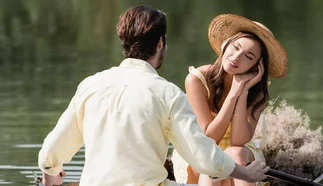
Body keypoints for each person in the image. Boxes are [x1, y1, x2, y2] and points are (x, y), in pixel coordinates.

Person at [37, 6, 268, 186]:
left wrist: (52, 176)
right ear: (160, 44)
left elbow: (50, 153)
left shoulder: (90, 85)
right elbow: (204, 156)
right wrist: (244, 172)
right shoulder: (168, 94)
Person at [170, 14, 287, 186]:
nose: (236, 57)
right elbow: (209, 140)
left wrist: (243, 91)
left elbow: (238, 141)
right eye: (235, 47)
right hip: (201, 150)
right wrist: (233, 94)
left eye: (248, 56)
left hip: (240, 153)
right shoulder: (197, 80)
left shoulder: (258, 91)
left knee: (236, 153)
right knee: (213, 163)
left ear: (256, 67)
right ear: (226, 44)